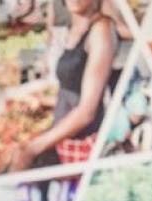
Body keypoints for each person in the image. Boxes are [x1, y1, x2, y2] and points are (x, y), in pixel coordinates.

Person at [12, 0, 117, 170]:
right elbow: (70, 86)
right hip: (62, 138)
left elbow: (86, 112)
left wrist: (33, 148)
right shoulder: (74, 29)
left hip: (82, 147)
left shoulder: (100, 29)